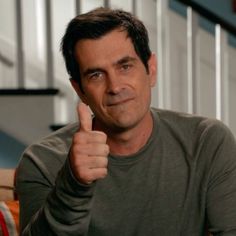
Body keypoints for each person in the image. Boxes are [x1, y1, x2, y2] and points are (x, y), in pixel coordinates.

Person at [16, 7, 236, 236]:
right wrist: (73, 185)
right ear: (79, 90)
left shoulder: (207, 142)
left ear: (151, 69)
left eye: (125, 66)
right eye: (96, 75)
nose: (115, 87)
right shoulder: (41, 162)